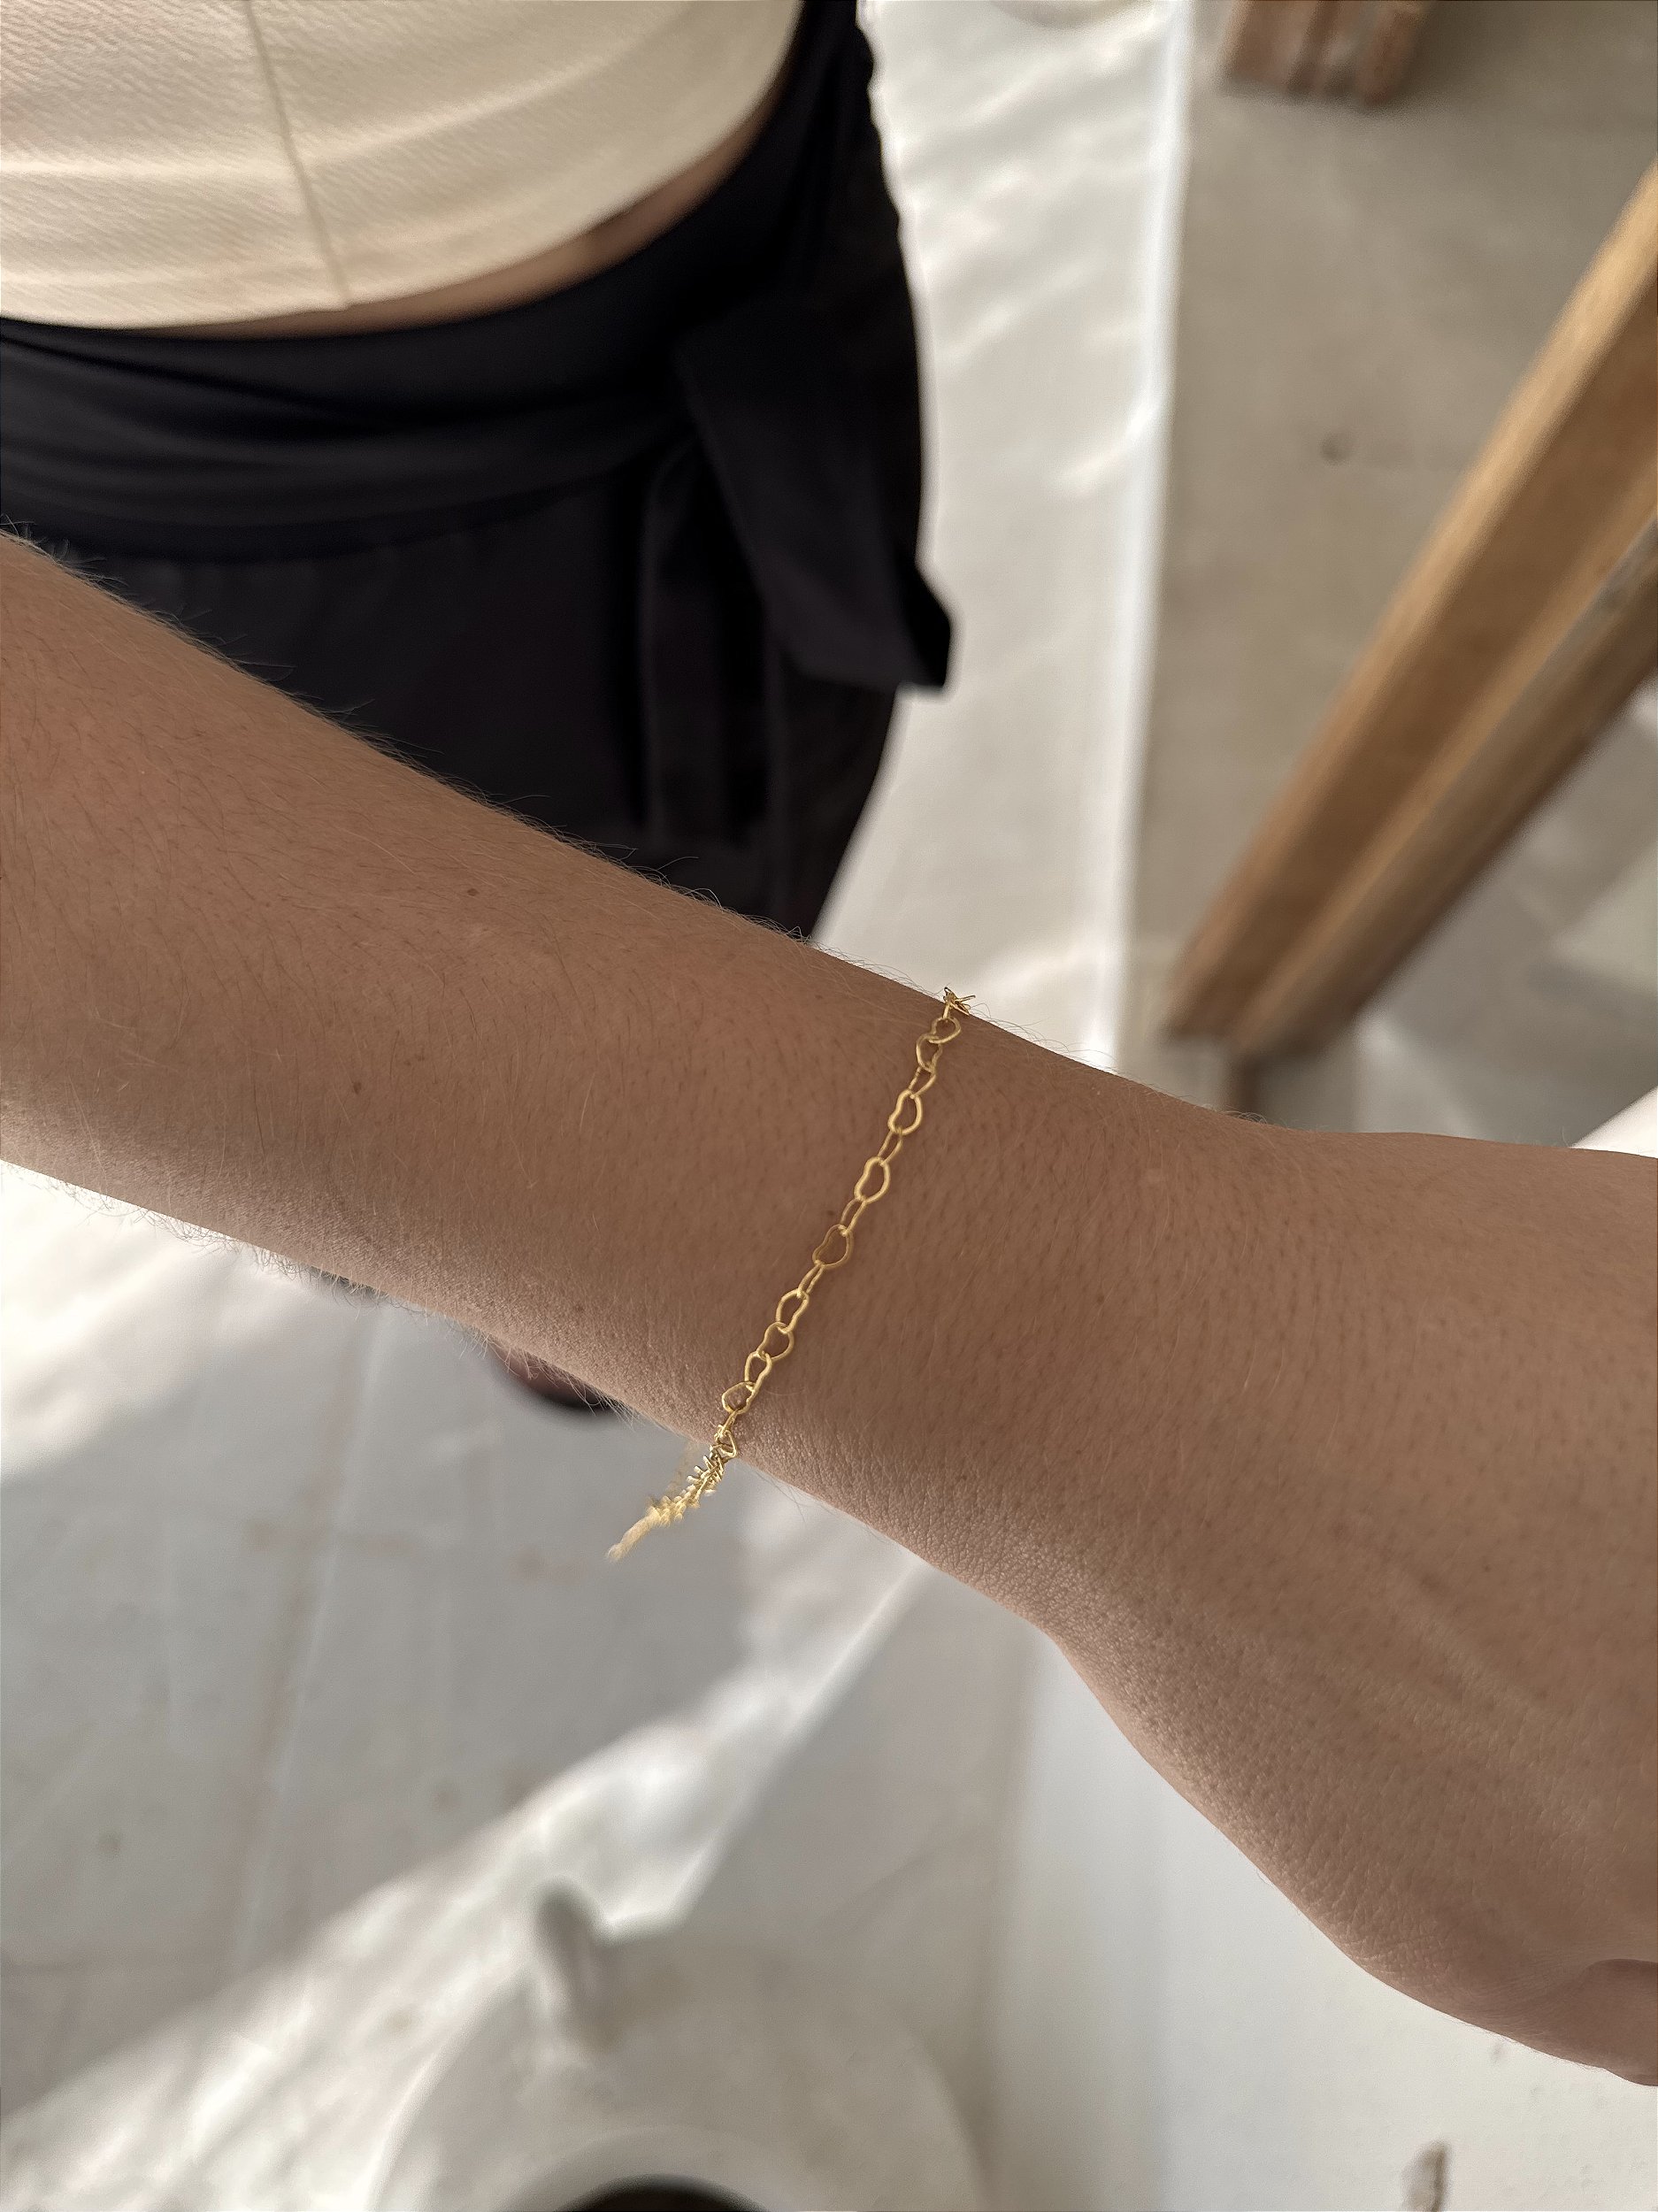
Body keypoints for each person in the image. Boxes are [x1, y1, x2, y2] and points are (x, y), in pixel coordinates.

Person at [3, 534, 1654, 2086]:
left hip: (736, 450)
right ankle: (566, 1301)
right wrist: (1119, 1350)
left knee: (734, 865)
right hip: (262, 556)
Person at [0, 0, 948, 1398]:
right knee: (388, 1086)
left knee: (740, 926)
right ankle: (560, 1289)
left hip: (750, 199)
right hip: (148, 456)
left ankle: (605, 1277)